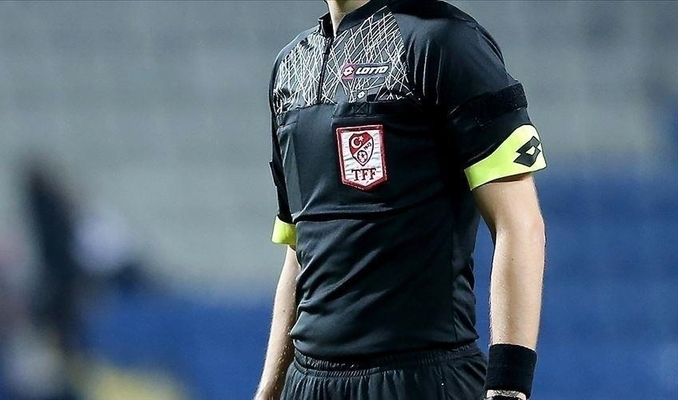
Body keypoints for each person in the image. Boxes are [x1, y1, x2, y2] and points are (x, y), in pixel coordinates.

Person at [256, 0, 546, 399]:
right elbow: (300, 251)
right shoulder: (289, 68)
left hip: (421, 378)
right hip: (308, 383)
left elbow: (520, 223)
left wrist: (508, 388)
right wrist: (270, 391)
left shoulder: (445, 42)